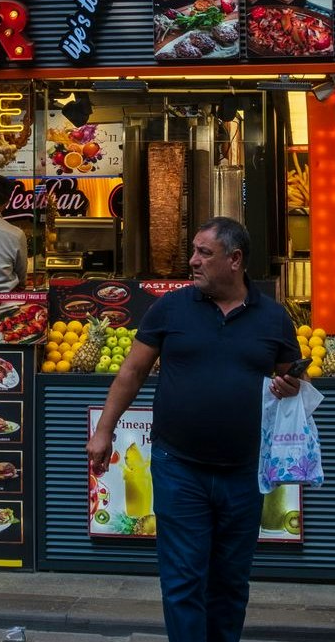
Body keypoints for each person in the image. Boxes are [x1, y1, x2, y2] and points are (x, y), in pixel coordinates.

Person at [88, 218, 302, 642]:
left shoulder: (274, 318)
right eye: (194, 250)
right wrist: (104, 430)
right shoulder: (170, 308)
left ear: (235, 260)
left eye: (204, 252)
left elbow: (293, 384)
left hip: (244, 471)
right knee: (183, 579)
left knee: (230, 581)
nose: (193, 261)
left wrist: (291, 386)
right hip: (178, 467)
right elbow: (131, 372)